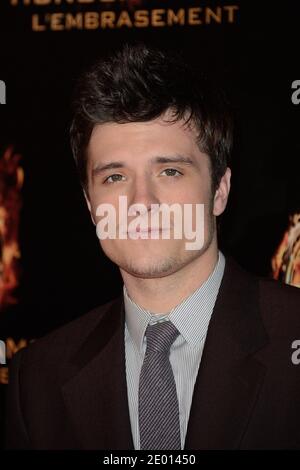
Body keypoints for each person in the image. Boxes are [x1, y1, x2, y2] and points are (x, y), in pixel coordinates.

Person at [6, 43, 300, 450]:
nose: (141, 202)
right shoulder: (36, 381)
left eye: (170, 171)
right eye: (114, 177)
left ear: (220, 190)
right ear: (91, 205)